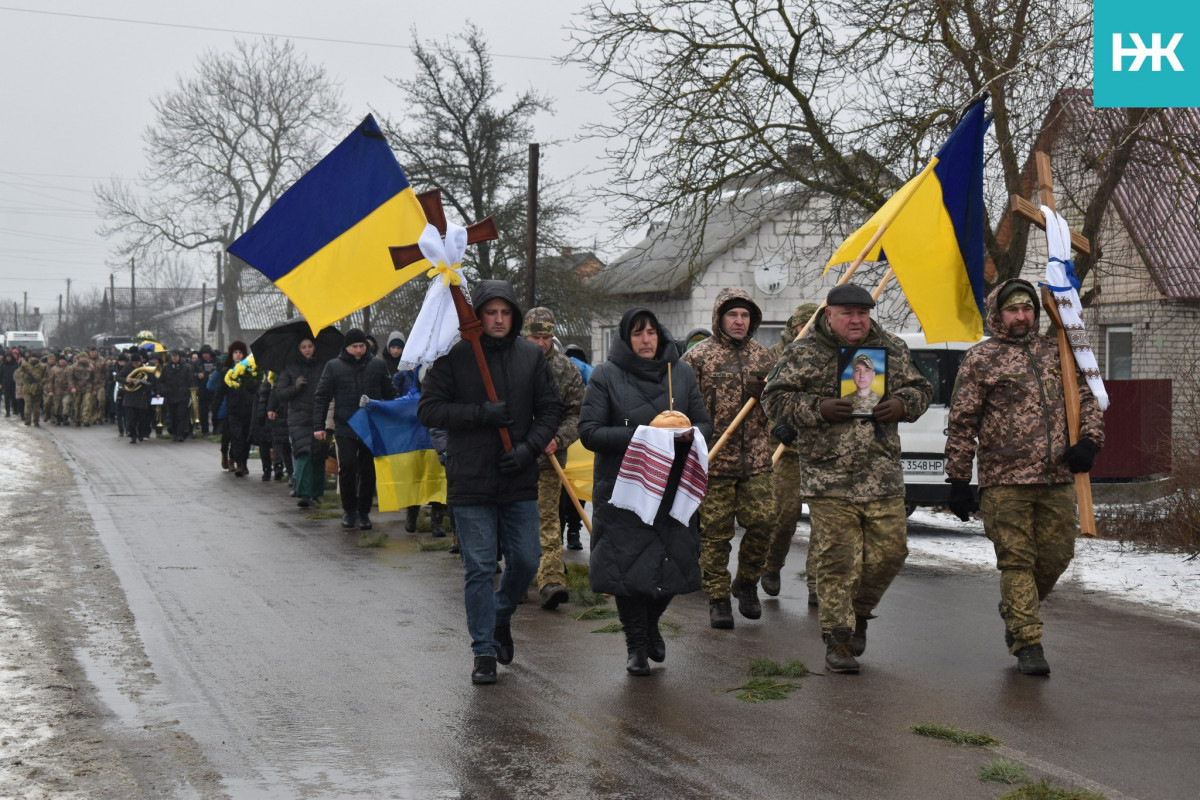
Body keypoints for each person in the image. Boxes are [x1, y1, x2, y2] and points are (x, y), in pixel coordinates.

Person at [762, 283, 932, 674]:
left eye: (863, 313)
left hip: (881, 473)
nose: (857, 320)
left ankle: (859, 610)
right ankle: (837, 640)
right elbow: (774, 400)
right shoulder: (803, 351)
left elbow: (921, 390)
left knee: (892, 553)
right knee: (838, 561)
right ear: (829, 314)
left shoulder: (889, 347)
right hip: (828, 474)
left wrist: (902, 404)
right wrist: (816, 408)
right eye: (848, 313)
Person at [945, 279, 1105, 676]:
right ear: (998, 314)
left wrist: (1089, 441)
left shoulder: (1058, 352)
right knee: (1017, 562)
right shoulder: (981, 359)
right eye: (1013, 309)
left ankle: (1017, 608)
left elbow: (1087, 400)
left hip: (1057, 478)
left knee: (1057, 556)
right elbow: (962, 422)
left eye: (1028, 309)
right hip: (1005, 481)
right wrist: (959, 479)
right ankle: (1028, 642)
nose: (1022, 316)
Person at [417, 281, 564, 685]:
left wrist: (528, 448)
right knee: (480, 566)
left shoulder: (531, 356)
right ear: (477, 315)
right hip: (470, 479)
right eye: (490, 312)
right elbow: (429, 410)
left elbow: (551, 408)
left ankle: (501, 615)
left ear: (514, 316)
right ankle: (482, 649)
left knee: (527, 561)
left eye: (505, 312)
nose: (498, 319)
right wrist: (480, 413)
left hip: (516, 477)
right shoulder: (455, 357)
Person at [580, 307, 712, 676]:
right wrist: (645, 436)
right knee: (626, 570)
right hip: (624, 489)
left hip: (674, 487)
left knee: (675, 563)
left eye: (652, 332)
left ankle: (651, 623)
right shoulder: (606, 375)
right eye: (637, 333)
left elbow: (704, 423)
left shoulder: (680, 373)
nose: (646, 340)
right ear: (626, 338)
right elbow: (589, 432)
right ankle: (636, 645)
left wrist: (689, 435)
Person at [682, 288, 777, 629]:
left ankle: (747, 582)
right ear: (720, 317)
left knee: (765, 522)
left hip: (756, 458)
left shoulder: (765, 359)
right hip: (713, 459)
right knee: (715, 533)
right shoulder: (698, 358)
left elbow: (780, 407)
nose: (739, 321)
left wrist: (767, 398)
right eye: (733, 315)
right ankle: (718, 597)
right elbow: (682, 407)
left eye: (745, 316)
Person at [521, 307, 585, 610]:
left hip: (549, 460)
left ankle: (551, 580)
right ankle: (519, 578)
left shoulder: (566, 368)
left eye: (546, 337)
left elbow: (577, 413)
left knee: (548, 518)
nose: (541, 343)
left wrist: (558, 438)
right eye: (535, 336)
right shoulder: (510, 364)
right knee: (517, 521)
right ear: (525, 335)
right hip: (515, 461)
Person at [760, 302, 819, 602]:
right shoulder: (774, 357)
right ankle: (771, 565)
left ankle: (817, 584)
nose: (805, 330)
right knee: (785, 514)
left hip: (821, 449)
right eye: (801, 325)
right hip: (787, 451)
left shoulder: (827, 355)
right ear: (793, 326)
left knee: (824, 520)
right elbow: (762, 398)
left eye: (812, 324)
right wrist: (775, 426)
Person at [313, 328, 396, 531]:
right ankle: (348, 510)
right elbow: (321, 397)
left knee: (368, 469)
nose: (358, 350)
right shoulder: (334, 366)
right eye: (354, 346)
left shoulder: (377, 365)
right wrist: (319, 426)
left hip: (370, 425)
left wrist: (400, 407)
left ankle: (364, 511)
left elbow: (390, 393)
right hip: (345, 425)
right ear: (346, 347)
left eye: (361, 346)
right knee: (348, 467)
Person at [273, 337, 328, 507]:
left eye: (310, 346)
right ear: (298, 348)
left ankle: (316, 492)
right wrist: (295, 387)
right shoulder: (290, 367)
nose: (307, 349)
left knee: (319, 454)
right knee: (303, 452)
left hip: (319, 414)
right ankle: (303, 493)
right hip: (298, 417)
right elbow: (280, 393)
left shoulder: (324, 366)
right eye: (303, 346)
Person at [214, 342, 257, 476]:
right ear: (231, 355)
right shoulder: (226, 371)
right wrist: (215, 409)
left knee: (246, 438)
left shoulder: (249, 370)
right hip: (233, 410)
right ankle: (239, 464)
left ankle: (244, 462)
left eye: (240, 353)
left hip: (248, 409)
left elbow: (255, 387)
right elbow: (220, 391)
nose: (238, 355)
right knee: (236, 437)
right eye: (235, 353)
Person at [160, 349, 195, 441]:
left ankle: (180, 434)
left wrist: (188, 392)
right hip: (170, 395)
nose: (174, 358)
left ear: (179, 357)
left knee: (181, 415)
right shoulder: (166, 367)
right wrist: (164, 390)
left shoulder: (187, 367)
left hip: (182, 395)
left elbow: (190, 381)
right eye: (172, 356)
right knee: (172, 415)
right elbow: (161, 381)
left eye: (175, 356)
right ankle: (174, 432)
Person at [16, 352, 47, 427]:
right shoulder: (25, 365)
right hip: (27, 387)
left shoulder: (42, 366)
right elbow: (19, 373)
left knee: (37, 407)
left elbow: (46, 377)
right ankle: (27, 420)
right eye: (33, 357)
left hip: (38, 388)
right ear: (31, 357)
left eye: (36, 357)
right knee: (28, 405)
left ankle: (36, 421)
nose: (34, 358)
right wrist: (26, 376)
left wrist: (40, 382)